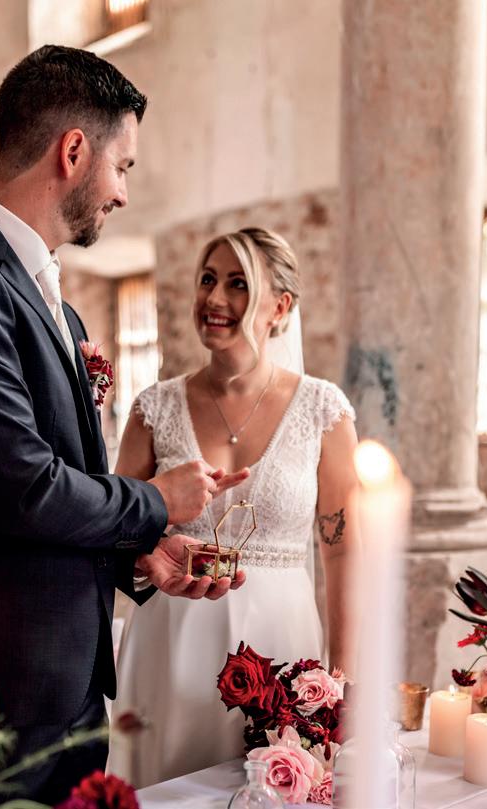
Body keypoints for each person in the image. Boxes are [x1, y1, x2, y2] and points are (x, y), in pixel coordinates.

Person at [0, 45, 248, 806]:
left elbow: (60, 488)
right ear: (73, 152)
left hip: (64, 696)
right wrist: (156, 500)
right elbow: (22, 487)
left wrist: (140, 554)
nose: (124, 193)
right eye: (123, 166)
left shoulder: (61, 311)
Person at [110, 227, 359, 788]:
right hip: (170, 642)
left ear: (280, 307)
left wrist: (341, 682)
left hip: (281, 645)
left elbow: (344, 555)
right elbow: (115, 527)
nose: (214, 298)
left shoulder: (323, 412)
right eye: (207, 279)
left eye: (238, 284)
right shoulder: (154, 409)